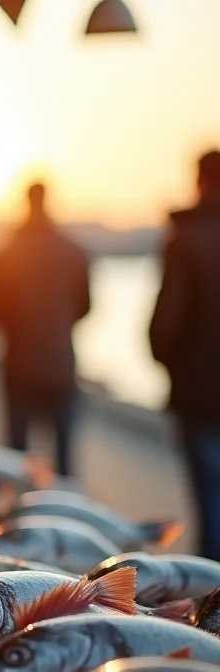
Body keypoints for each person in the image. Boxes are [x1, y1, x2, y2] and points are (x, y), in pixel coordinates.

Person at [0, 182, 90, 477]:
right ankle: (67, 512)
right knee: (64, 460)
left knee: (18, 461)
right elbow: (85, 306)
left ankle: (23, 516)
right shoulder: (73, 250)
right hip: (60, 364)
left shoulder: (6, 252)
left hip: (19, 365)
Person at [149, 150, 220, 561]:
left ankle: (213, 609)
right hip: (200, 391)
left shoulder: (186, 240)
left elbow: (165, 328)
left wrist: (175, 367)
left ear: (199, 181)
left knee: (210, 502)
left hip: (201, 395)